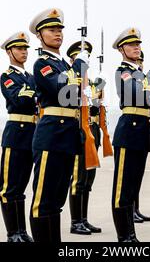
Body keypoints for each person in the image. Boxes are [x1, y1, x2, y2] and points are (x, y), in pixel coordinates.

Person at [28, 8, 89, 242]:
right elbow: (65, 91)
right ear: (40, 35)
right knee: (43, 201)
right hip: (51, 135)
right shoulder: (42, 64)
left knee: (56, 201)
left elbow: (78, 95)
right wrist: (78, 68)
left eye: (60, 30)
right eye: (51, 30)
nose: (58, 34)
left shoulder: (63, 65)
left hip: (67, 136)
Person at [111, 27, 150, 242]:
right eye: (132, 45)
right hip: (129, 130)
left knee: (132, 188)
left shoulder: (140, 74)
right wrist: (149, 81)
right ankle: (124, 237)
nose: (137, 48)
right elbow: (134, 93)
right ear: (122, 49)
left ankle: (131, 235)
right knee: (122, 188)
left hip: (141, 132)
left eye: (138, 44)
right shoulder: (123, 71)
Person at [0, 31, 36, 242]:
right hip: (15, 133)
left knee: (21, 188)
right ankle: (12, 233)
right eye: (19, 49)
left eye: (25, 49)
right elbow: (19, 99)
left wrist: (30, 91)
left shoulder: (29, 77)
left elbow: (31, 95)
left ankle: (22, 232)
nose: (24, 52)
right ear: (9, 51)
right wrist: (33, 92)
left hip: (31, 133)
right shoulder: (7, 76)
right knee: (9, 188)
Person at [66, 40, 103, 235]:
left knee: (88, 178)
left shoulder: (92, 82)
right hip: (79, 129)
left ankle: (84, 219)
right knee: (78, 178)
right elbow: (68, 100)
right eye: (81, 57)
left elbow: (96, 108)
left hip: (92, 129)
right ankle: (75, 221)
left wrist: (95, 93)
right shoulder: (70, 77)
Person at [131, 50, 150, 224]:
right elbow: (138, 96)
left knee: (136, 177)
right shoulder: (124, 73)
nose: (140, 63)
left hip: (142, 128)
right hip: (131, 128)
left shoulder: (142, 78)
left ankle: (134, 209)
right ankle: (78, 220)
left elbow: (149, 101)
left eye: (141, 61)